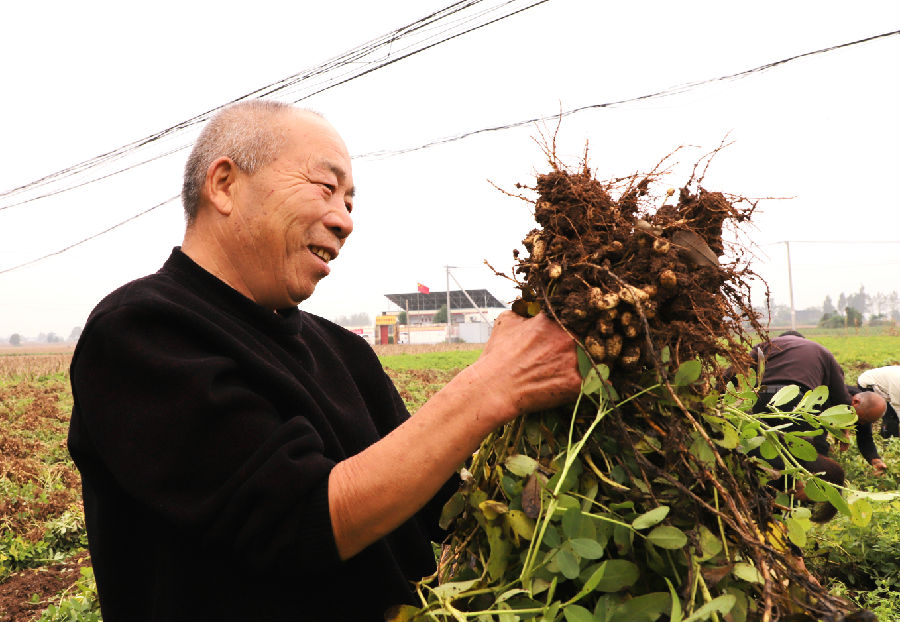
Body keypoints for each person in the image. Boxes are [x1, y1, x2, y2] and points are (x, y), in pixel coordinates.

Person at [67, 101, 582, 621]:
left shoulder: (344, 352)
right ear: (224, 184)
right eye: (325, 187)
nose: (344, 220)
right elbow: (298, 521)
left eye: (351, 202)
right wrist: (491, 386)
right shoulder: (141, 332)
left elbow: (448, 508)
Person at [748, 331, 886, 517]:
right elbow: (839, 405)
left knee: (764, 450)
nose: (857, 425)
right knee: (800, 453)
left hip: (760, 398)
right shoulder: (822, 354)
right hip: (795, 402)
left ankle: (765, 502)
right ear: (855, 403)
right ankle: (791, 503)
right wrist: (841, 433)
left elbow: (736, 372)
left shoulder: (767, 345)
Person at [857, 365, 900, 439]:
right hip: (868, 384)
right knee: (891, 416)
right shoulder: (897, 383)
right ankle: (888, 440)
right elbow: (897, 406)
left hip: (886, 386)